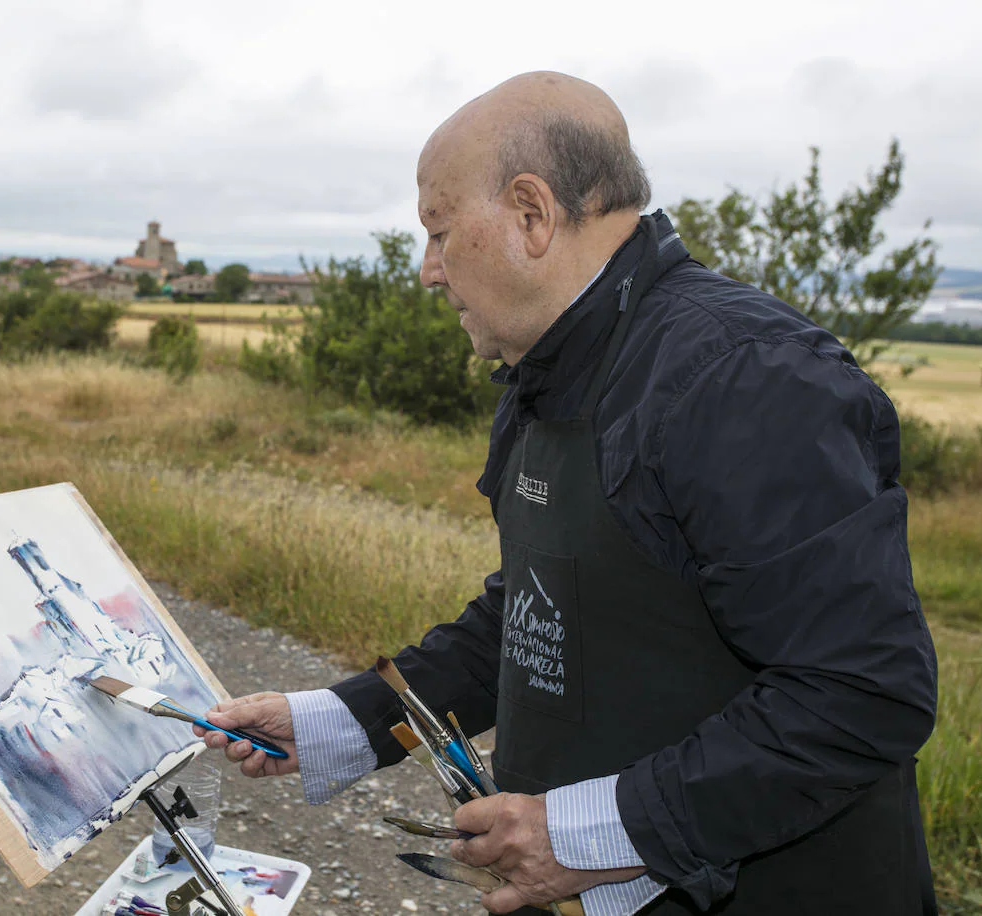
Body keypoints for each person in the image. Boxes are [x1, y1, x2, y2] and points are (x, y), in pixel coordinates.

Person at [195, 72, 938, 915]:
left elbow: (860, 691)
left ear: (531, 213)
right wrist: (342, 720)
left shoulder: (744, 378)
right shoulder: (552, 371)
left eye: (438, 232)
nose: (428, 271)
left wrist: (587, 832)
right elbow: (544, 610)